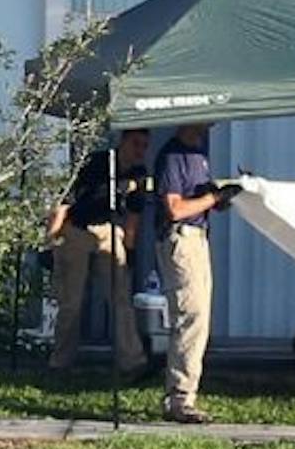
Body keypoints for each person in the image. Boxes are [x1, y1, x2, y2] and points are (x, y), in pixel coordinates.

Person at [154, 123, 240, 424]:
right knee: (190, 316)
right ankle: (179, 399)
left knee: (200, 317)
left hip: (199, 238)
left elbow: (199, 201)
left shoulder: (198, 155)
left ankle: (185, 393)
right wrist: (212, 199)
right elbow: (174, 208)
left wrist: (223, 197)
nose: (209, 127)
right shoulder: (172, 156)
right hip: (181, 239)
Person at [46, 128, 150, 376]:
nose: (140, 151)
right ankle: (60, 363)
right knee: (72, 301)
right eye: (136, 143)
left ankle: (132, 361)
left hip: (108, 229)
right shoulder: (98, 163)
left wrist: (130, 250)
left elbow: (134, 215)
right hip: (77, 228)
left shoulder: (138, 174)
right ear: (124, 141)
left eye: (145, 146)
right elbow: (65, 200)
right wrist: (51, 239)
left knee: (121, 297)